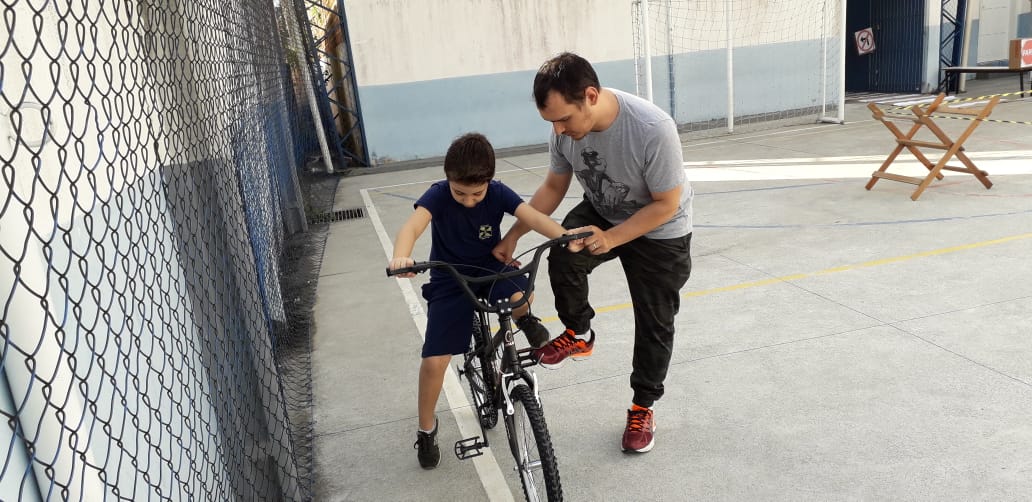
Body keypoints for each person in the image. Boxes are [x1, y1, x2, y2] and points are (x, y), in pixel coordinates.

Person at [493, 52, 693, 454]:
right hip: (603, 208)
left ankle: (642, 406)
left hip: (660, 229)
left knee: (655, 320)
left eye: (564, 119)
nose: (560, 130)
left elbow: (665, 204)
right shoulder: (563, 131)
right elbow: (552, 187)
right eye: (552, 123)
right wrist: (514, 233)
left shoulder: (652, 129)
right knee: (563, 254)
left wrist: (613, 238)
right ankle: (579, 333)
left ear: (590, 96)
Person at [389, 132, 583, 469]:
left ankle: (525, 319)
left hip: (490, 267)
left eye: (476, 193)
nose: (468, 200)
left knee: (523, 293)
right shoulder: (437, 195)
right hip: (450, 278)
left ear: (489, 183)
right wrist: (401, 257)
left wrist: (564, 237)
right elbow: (412, 227)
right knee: (435, 361)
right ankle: (426, 429)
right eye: (459, 192)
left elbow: (533, 217)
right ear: (448, 181)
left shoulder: (497, 193)